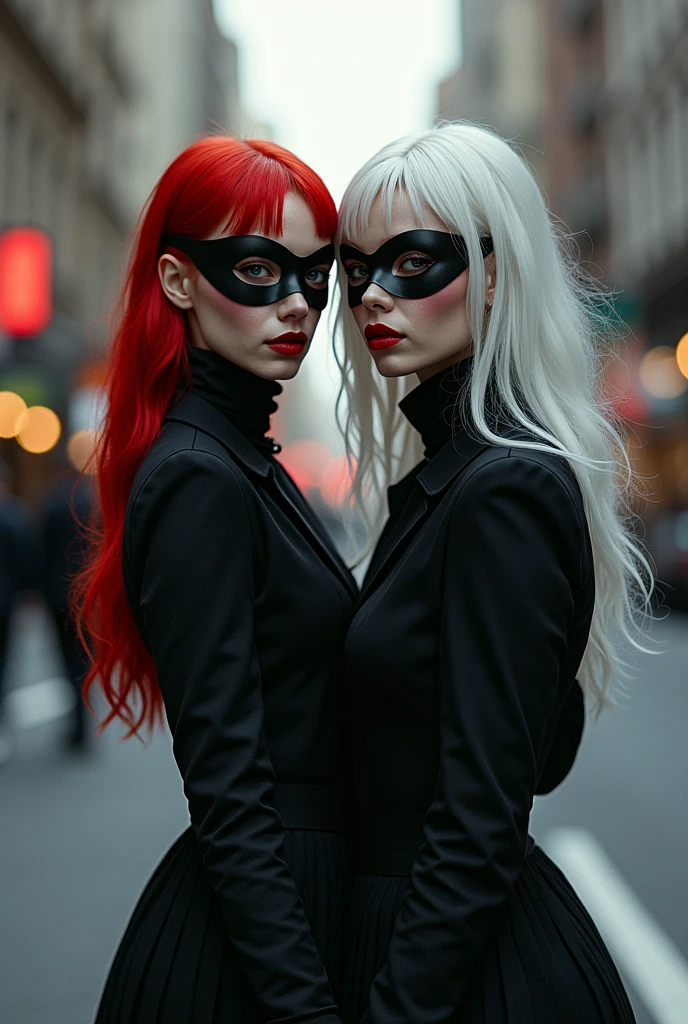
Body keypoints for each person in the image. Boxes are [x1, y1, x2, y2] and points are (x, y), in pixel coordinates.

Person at [334, 122, 652, 1023]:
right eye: (357, 271)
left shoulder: (501, 489)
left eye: (413, 262)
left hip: (463, 980)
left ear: (501, 268)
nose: (374, 296)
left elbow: (481, 817)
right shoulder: (452, 480)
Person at [72, 136, 357, 1024]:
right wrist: (302, 1010)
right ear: (178, 280)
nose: (296, 304)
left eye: (315, 276)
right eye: (258, 268)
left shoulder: (239, 457)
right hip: (261, 949)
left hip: (291, 914)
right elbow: (230, 790)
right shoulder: (201, 473)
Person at [40, 467, 94, 751]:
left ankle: (77, 724)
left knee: (66, 659)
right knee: (85, 658)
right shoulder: (90, 505)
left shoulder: (52, 504)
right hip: (86, 594)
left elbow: (43, 550)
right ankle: (83, 722)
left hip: (57, 592)